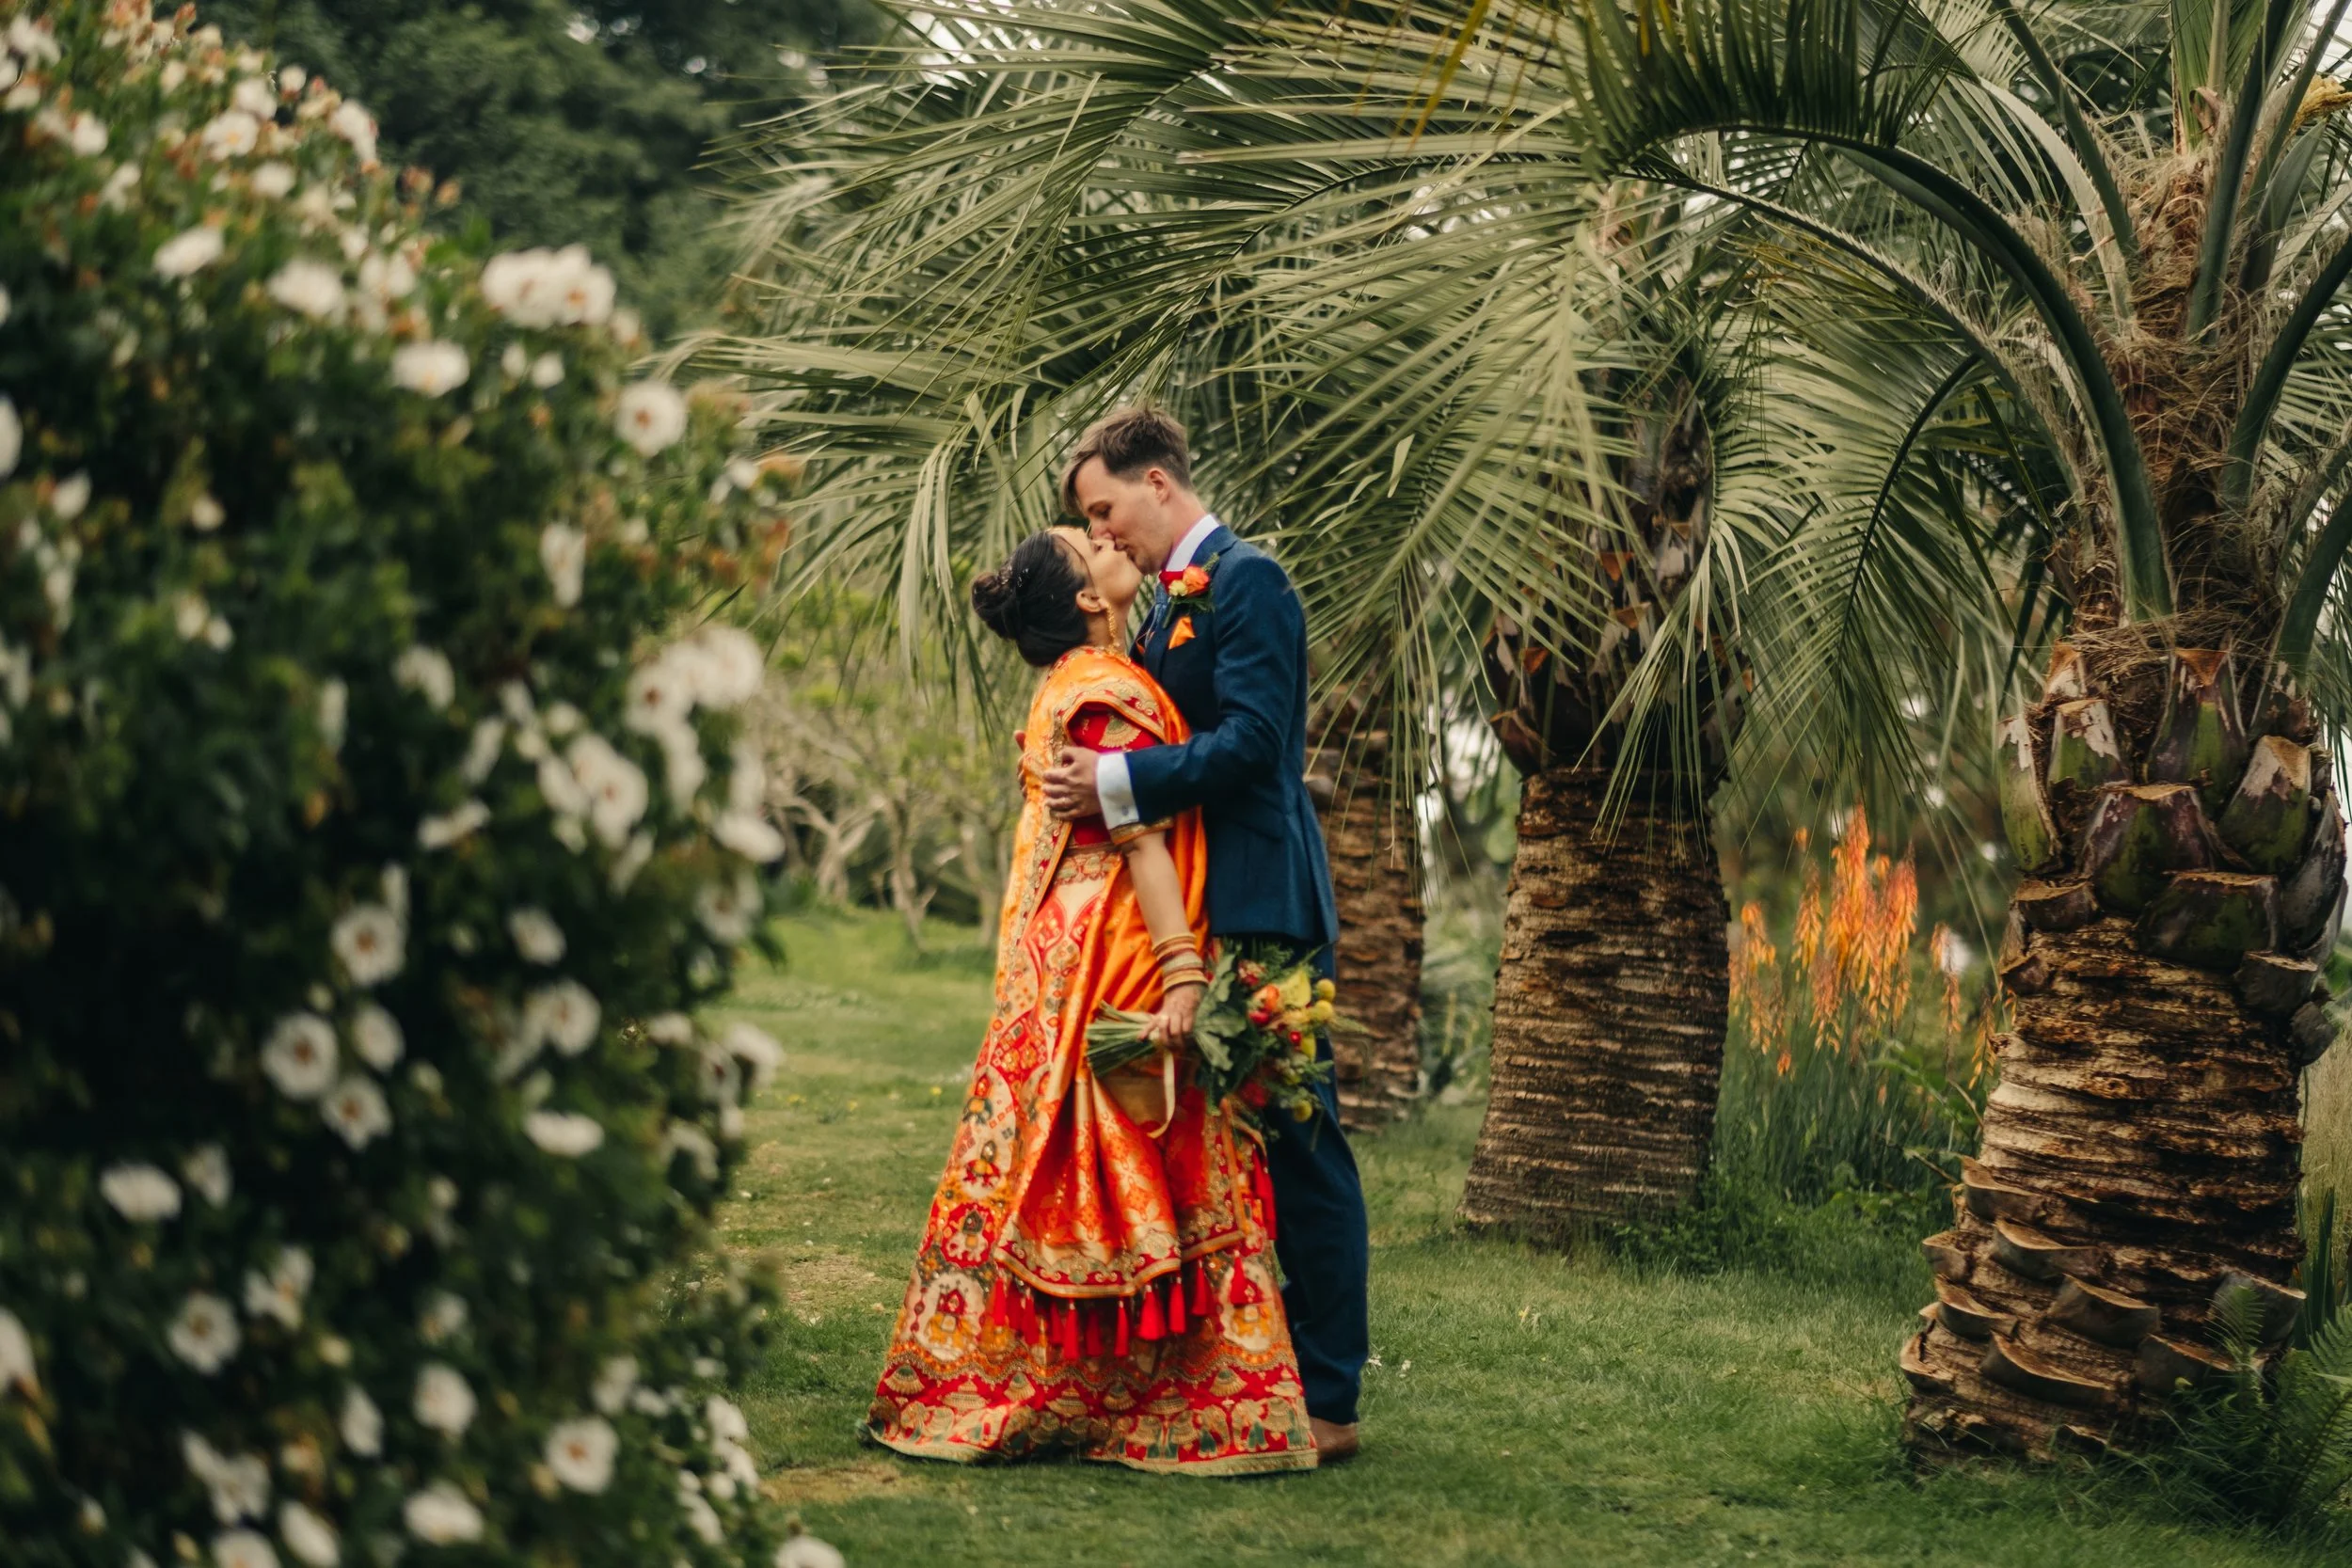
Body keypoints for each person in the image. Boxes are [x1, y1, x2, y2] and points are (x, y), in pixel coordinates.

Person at [864, 523, 1318, 1475]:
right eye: (1088, 539)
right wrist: (1184, 970)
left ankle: (1019, 1383)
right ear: (1086, 595)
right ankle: (1181, 1402)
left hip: (1050, 959)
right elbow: (1143, 839)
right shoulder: (1108, 693)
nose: (1107, 538)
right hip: (1109, 951)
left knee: (1037, 1155)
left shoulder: (1074, 683)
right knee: (1159, 1147)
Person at [1043, 407, 1371, 1464]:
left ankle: (1331, 1397)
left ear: (1157, 480)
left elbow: (1256, 744)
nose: (1105, 533)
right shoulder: (1164, 607)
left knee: (1301, 1141)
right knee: (1230, 1153)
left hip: (1264, 900)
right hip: (1197, 907)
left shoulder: (1249, 579)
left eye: (1106, 508)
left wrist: (1116, 779)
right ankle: (1244, 1369)